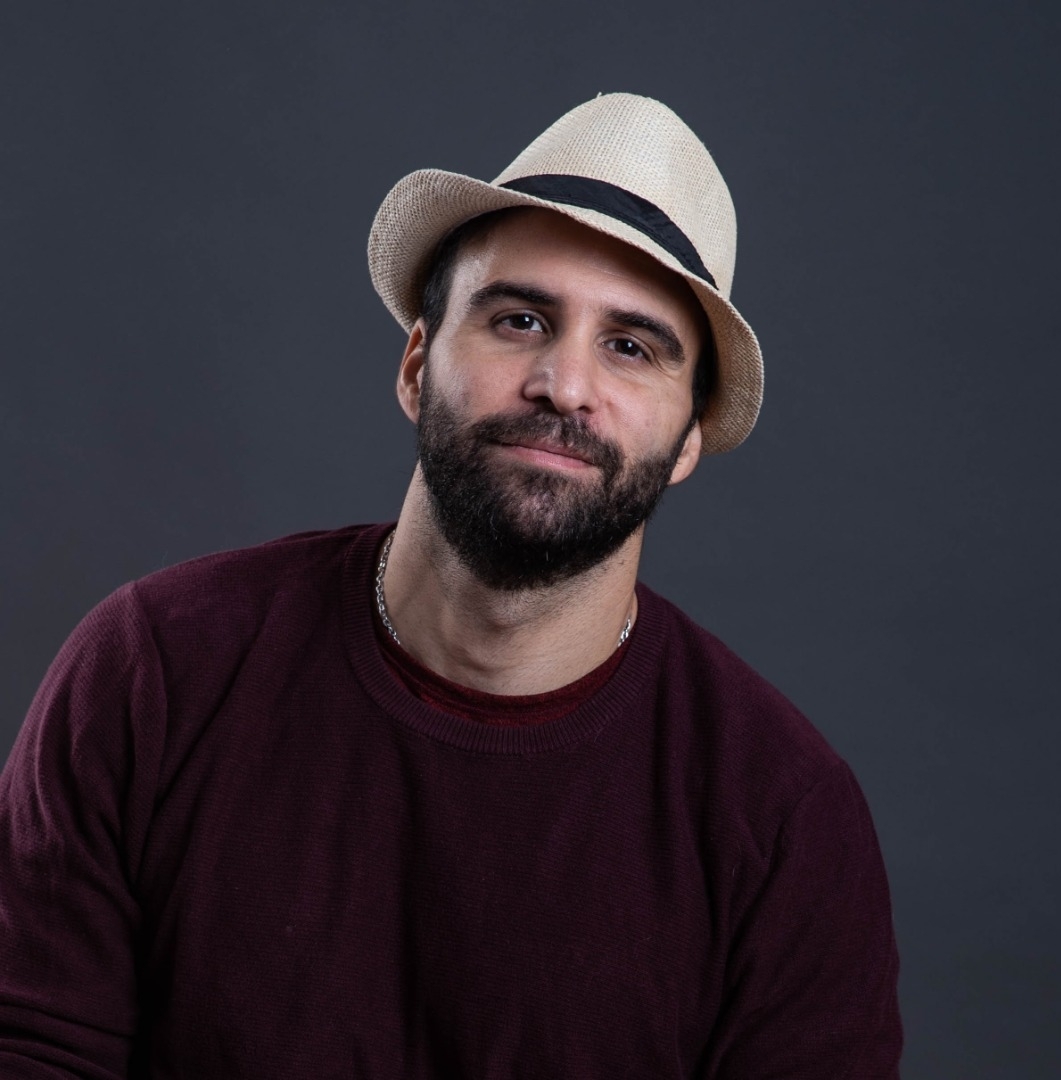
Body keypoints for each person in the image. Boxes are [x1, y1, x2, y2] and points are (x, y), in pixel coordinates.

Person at [0, 93, 902, 1077]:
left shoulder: (781, 821)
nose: (563, 385)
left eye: (629, 347)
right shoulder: (155, 672)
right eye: (519, 319)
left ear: (687, 437)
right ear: (417, 363)